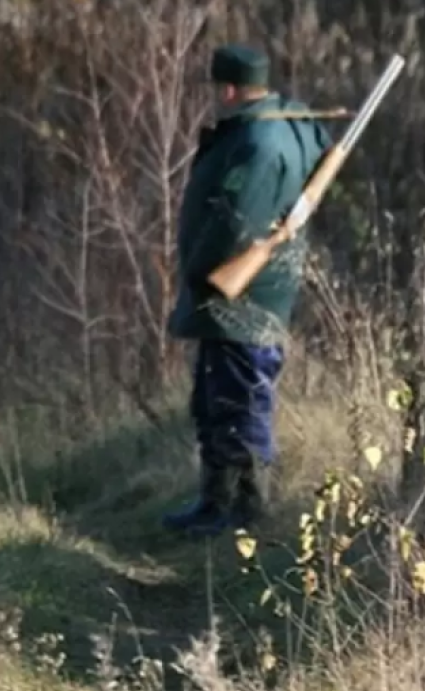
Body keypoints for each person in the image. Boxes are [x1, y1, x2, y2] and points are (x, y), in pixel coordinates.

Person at [161, 44, 332, 537]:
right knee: (215, 401)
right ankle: (215, 503)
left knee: (241, 407)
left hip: (243, 296)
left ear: (230, 89)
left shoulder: (259, 143)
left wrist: (200, 271)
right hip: (242, 295)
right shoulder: (285, 127)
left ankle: (247, 516)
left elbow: (236, 223)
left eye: (218, 89)